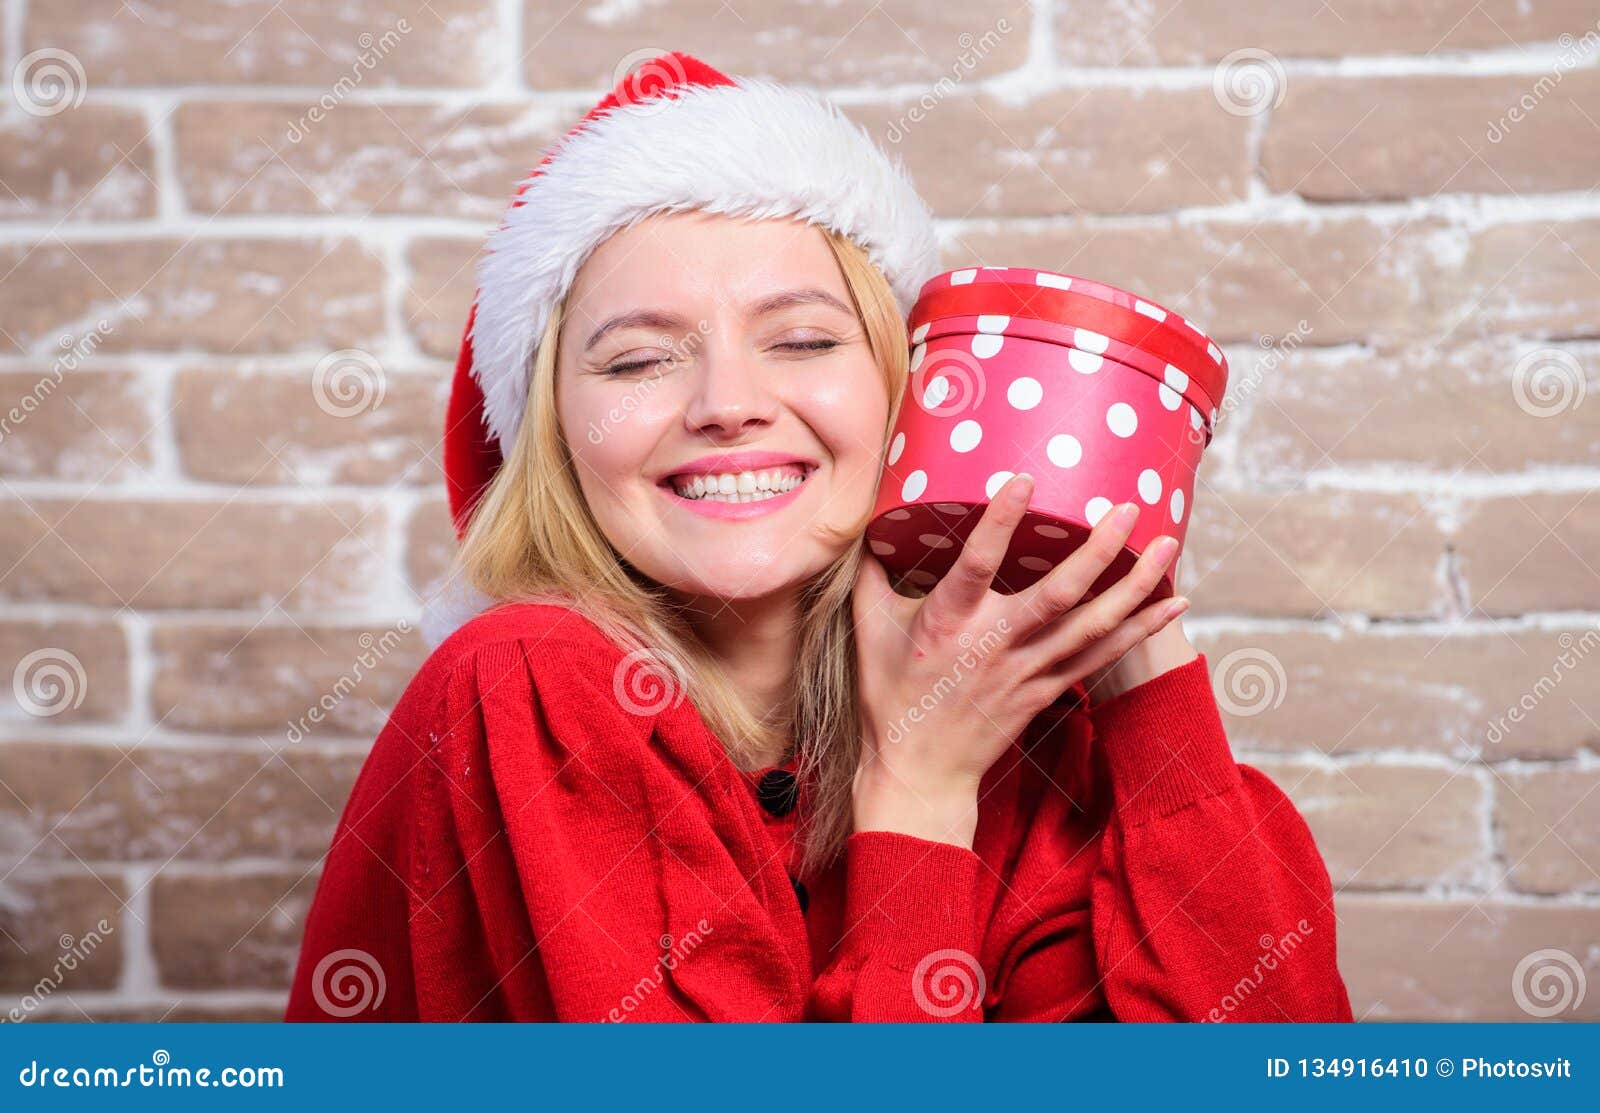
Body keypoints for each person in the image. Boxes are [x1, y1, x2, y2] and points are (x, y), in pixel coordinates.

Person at [285, 51, 1353, 1023]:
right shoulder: (528, 684)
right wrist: (918, 799)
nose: (726, 403)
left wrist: (1136, 663)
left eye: (800, 340)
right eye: (636, 361)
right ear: (558, 438)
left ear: (909, 395)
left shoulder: (999, 710)